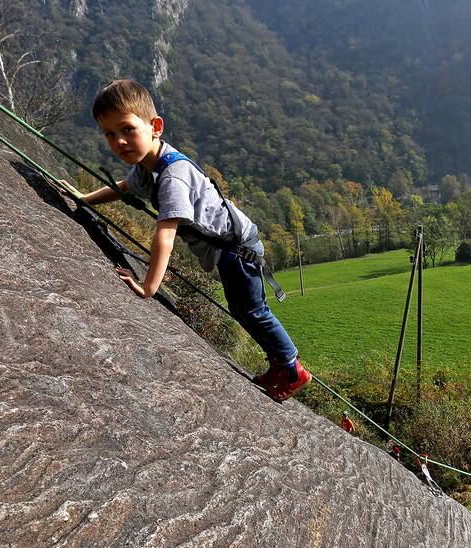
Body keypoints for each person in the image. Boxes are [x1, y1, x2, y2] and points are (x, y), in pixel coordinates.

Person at [59, 80, 310, 401]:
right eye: (109, 134)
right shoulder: (146, 165)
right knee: (242, 309)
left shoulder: (173, 176)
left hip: (239, 249)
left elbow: (165, 234)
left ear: (155, 127)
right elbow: (123, 187)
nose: (119, 141)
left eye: (127, 129)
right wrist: (84, 198)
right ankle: (279, 361)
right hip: (228, 250)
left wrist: (149, 286)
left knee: (254, 311)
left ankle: (292, 369)